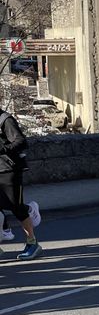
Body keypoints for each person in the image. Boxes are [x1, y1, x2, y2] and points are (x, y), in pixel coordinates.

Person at [0, 108, 42, 260]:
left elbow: (21, 141)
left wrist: (3, 149)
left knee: (16, 208)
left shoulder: (5, 120)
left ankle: (32, 243)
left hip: (9, 170)